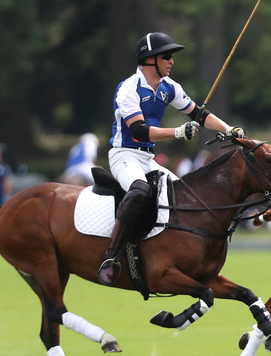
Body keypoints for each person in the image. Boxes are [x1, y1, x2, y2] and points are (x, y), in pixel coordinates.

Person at [99, 31, 246, 285]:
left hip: (147, 159)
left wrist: (228, 129)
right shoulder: (128, 89)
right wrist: (177, 132)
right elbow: (139, 130)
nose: (172, 61)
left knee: (185, 195)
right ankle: (110, 257)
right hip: (124, 154)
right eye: (167, 56)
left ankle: (170, 255)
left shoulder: (169, 87)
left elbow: (200, 115)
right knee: (140, 192)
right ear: (150, 60)